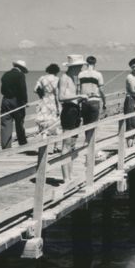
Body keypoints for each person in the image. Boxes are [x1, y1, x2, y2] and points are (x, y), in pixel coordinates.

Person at [58, 54, 87, 182]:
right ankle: (66, 178)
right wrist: (79, 96)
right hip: (68, 111)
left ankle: (70, 176)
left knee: (72, 145)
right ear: (73, 66)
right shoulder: (64, 78)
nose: (81, 69)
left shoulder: (74, 78)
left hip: (76, 110)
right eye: (79, 66)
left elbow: (73, 95)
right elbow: (61, 97)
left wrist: (82, 97)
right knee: (66, 144)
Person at [0, 59, 28, 148]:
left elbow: (2, 90)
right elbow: (23, 90)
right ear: (21, 68)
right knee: (19, 123)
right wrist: (25, 102)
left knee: (6, 123)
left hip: (5, 100)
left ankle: (6, 146)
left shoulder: (5, 75)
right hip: (17, 101)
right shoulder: (20, 75)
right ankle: (22, 143)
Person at [78, 55, 106, 145]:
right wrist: (104, 101)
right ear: (95, 63)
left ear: (86, 63)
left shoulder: (80, 74)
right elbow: (101, 90)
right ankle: (89, 145)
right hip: (94, 100)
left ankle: (87, 142)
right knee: (93, 125)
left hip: (84, 101)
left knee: (86, 124)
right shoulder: (98, 74)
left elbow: (78, 90)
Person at [33, 63, 61, 153]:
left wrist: (42, 95)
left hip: (43, 102)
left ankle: (43, 147)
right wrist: (59, 107)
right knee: (55, 125)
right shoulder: (57, 79)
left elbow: (35, 89)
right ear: (56, 71)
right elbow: (57, 94)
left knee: (44, 125)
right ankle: (56, 147)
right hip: (53, 103)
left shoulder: (42, 78)